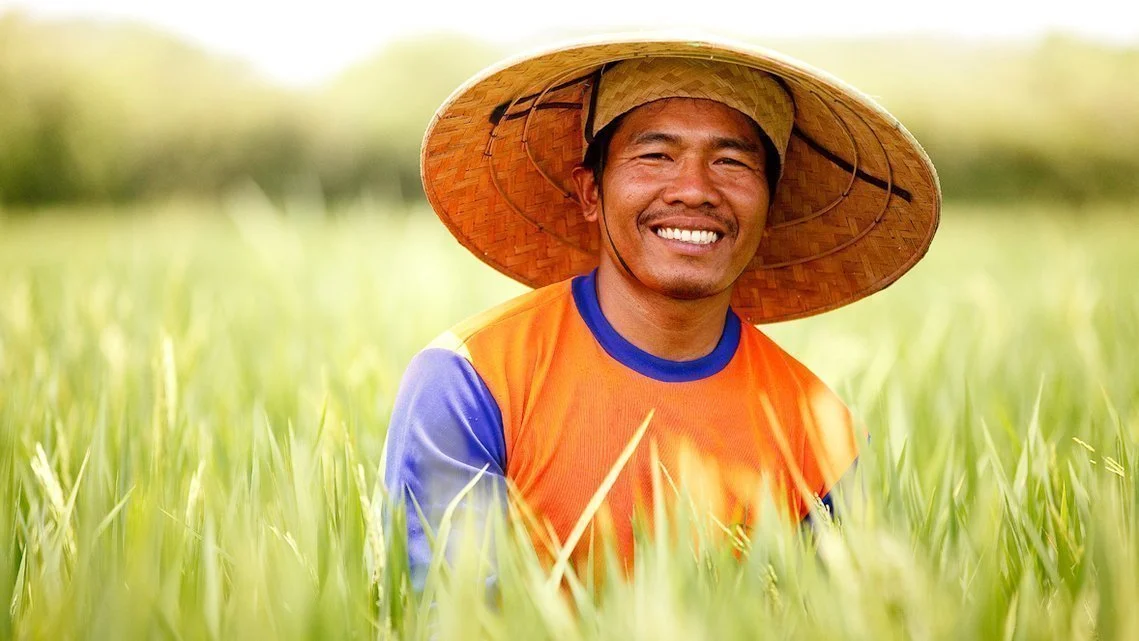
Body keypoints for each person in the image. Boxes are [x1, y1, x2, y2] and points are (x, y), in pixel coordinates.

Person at [384, 34, 940, 589]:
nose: (694, 190)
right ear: (590, 192)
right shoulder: (472, 381)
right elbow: (450, 616)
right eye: (655, 155)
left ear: (770, 206)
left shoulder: (821, 434)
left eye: (731, 161)